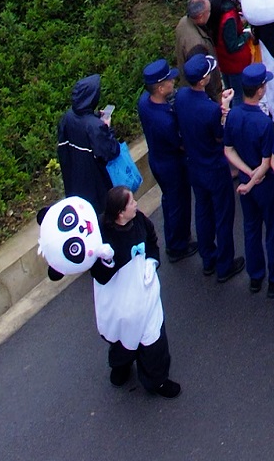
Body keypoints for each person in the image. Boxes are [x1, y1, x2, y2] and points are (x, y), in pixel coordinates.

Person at [91, 186, 182, 398]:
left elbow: (151, 240)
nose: (136, 204)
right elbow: (100, 276)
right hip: (119, 300)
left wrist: (151, 261)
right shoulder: (102, 234)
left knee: (153, 337)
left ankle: (156, 380)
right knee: (122, 335)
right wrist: (107, 261)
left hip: (144, 292)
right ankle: (120, 365)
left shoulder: (139, 220)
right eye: (132, 202)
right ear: (120, 212)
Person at [174, 51, 236, 280]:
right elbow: (220, 135)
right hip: (214, 166)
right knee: (223, 214)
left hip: (195, 164)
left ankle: (208, 258)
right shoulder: (210, 109)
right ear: (202, 80)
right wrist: (225, 110)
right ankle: (225, 264)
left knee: (203, 211)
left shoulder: (181, 97)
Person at [224, 65, 274, 296]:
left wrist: (246, 173)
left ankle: (255, 276)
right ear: (259, 90)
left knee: (251, 228)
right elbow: (268, 160)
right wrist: (254, 178)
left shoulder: (234, 115)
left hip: (247, 184)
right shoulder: (263, 122)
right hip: (264, 184)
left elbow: (228, 150)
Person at [135, 60, 189, 273]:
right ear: (160, 88)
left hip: (157, 160)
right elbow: (179, 143)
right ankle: (177, 246)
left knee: (169, 201)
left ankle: (176, 238)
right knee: (178, 202)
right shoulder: (164, 120)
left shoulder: (144, 102)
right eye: (169, 81)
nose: (173, 82)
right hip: (171, 164)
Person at [56, 73, 118, 213]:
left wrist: (94, 117)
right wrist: (107, 128)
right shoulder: (95, 127)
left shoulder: (67, 117)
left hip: (74, 184)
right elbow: (110, 151)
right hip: (95, 186)